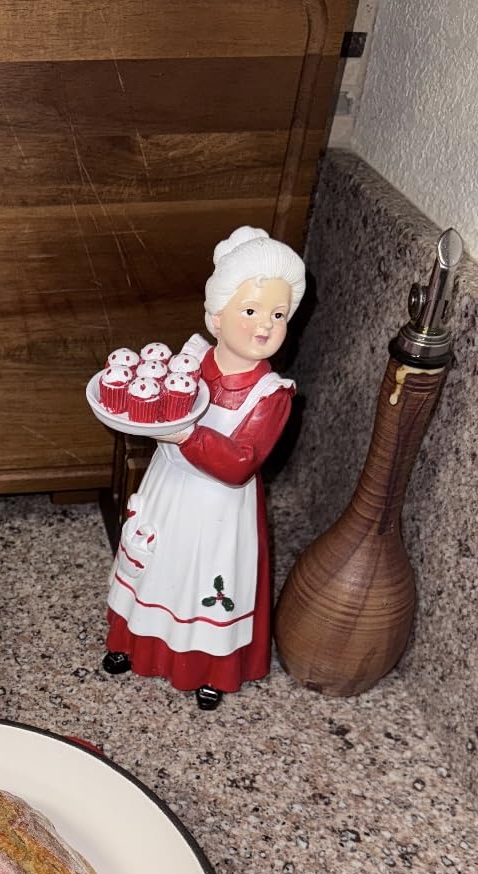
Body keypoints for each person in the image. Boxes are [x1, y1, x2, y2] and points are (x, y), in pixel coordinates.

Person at [103, 226, 306, 710]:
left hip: (219, 507)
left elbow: (241, 463)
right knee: (155, 562)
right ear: (217, 316)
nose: (265, 325)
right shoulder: (191, 362)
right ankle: (133, 642)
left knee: (206, 579)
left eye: (278, 314)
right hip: (168, 488)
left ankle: (210, 667)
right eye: (251, 311)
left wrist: (184, 435)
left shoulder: (271, 395)